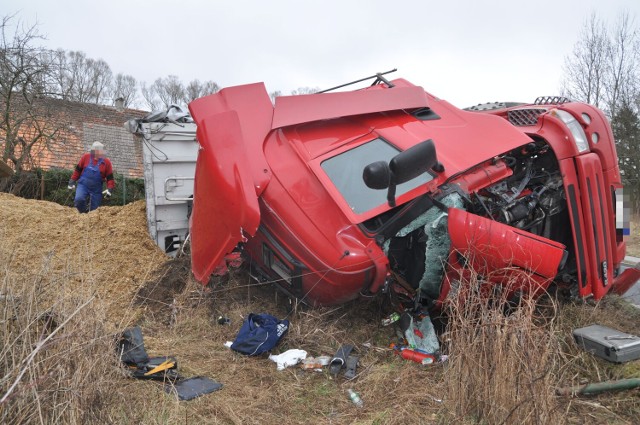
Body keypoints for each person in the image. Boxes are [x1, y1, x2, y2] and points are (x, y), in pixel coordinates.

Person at [68, 141, 116, 213]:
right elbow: (78, 170)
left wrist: (110, 189)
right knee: (79, 200)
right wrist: (72, 181)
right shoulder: (85, 157)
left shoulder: (107, 162)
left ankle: (90, 218)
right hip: (83, 185)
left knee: (94, 211)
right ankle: (83, 213)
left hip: (96, 189)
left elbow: (110, 178)